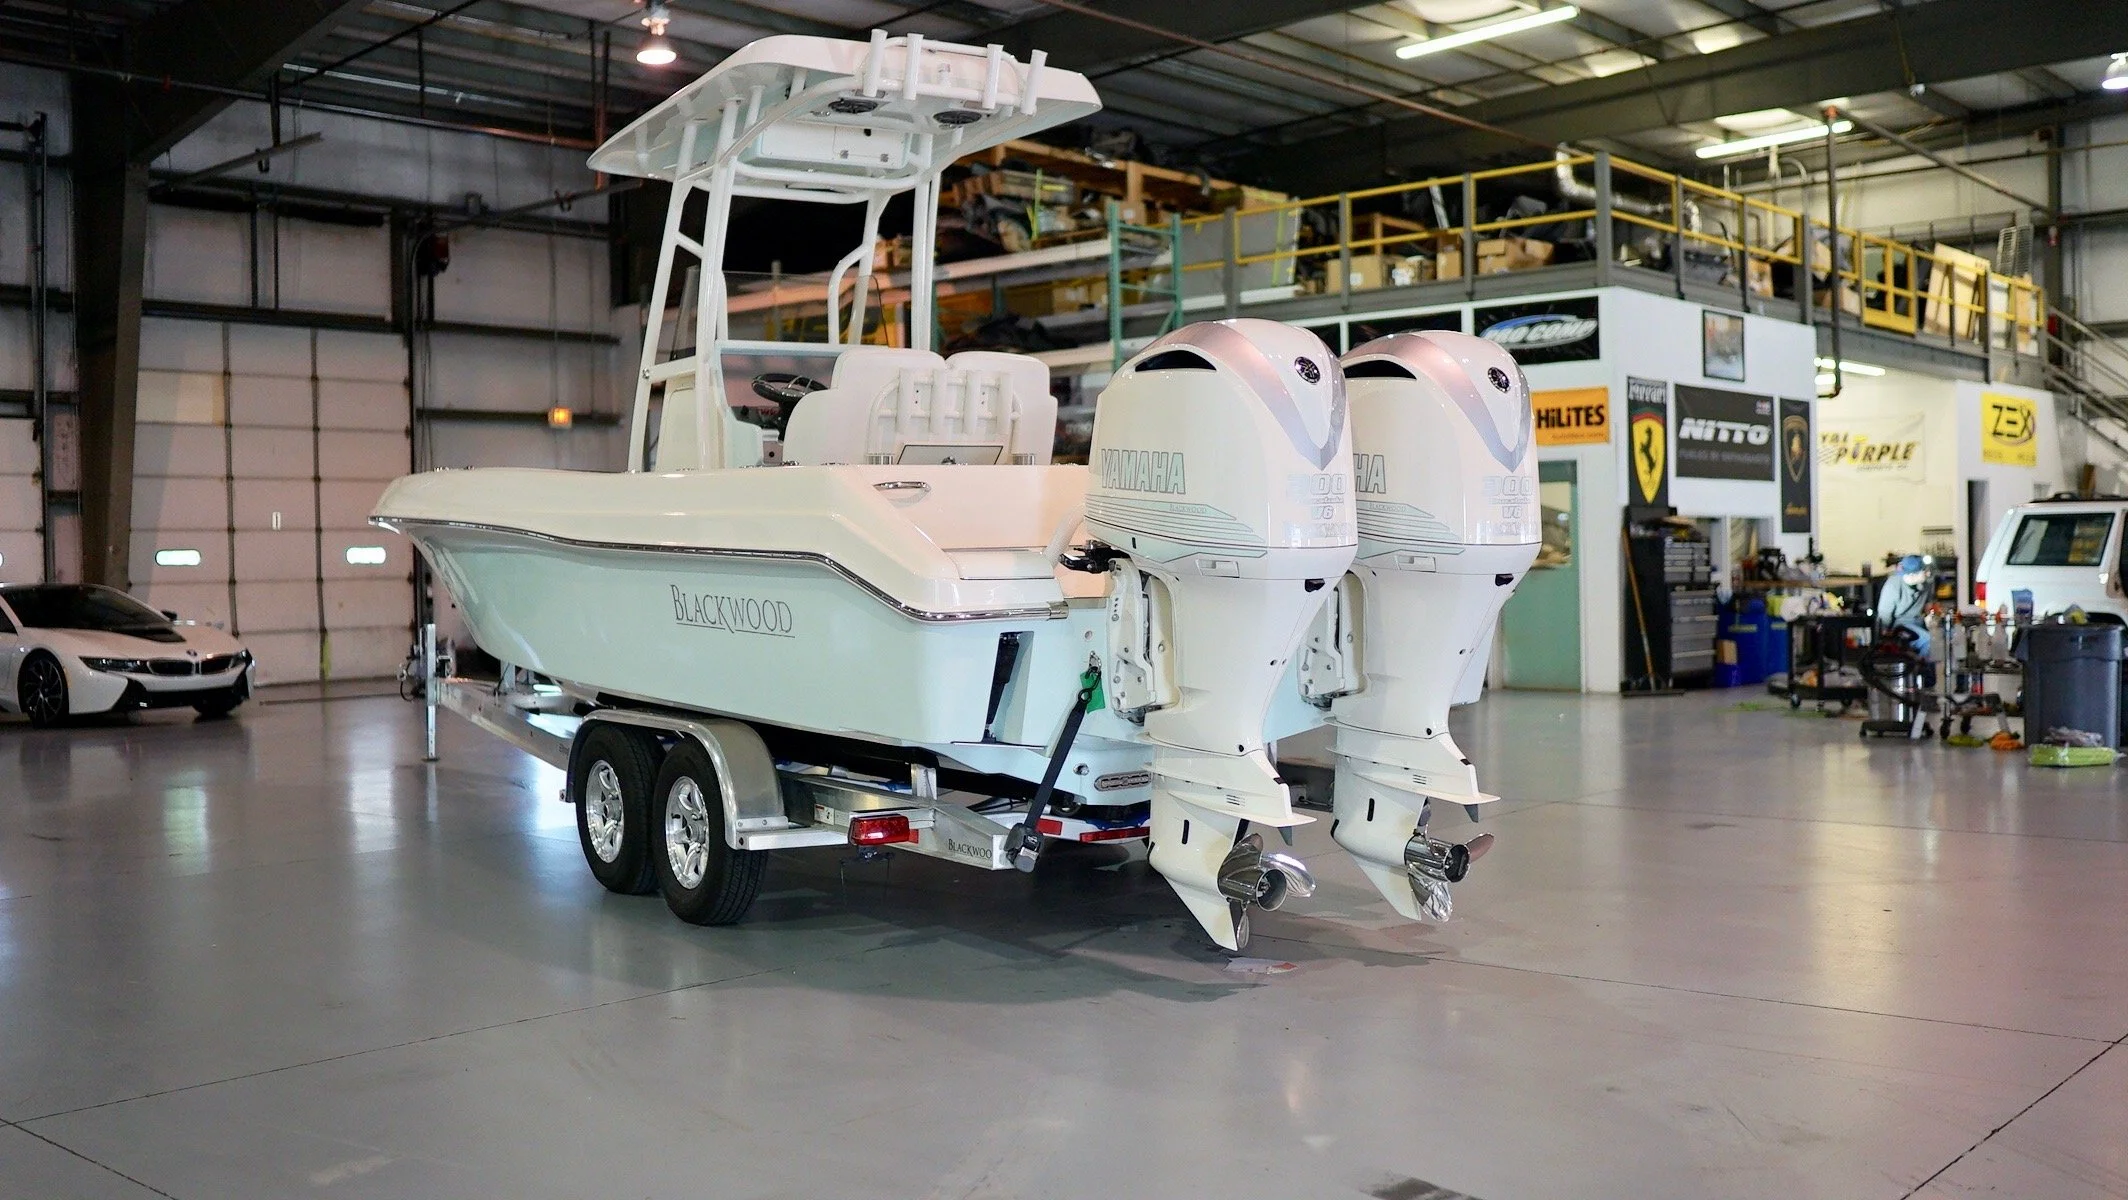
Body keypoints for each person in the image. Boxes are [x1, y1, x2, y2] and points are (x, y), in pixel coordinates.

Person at [1874, 553, 1931, 657]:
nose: (1928, 573)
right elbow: (1884, 613)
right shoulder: (1893, 585)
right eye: (1924, 570)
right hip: (1900, 626)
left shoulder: (1926, 584)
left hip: (1919, 622)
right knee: (1927, 641)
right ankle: (1920, 664)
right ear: (1913, 574)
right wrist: (1886, 633)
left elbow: (1927, 606)